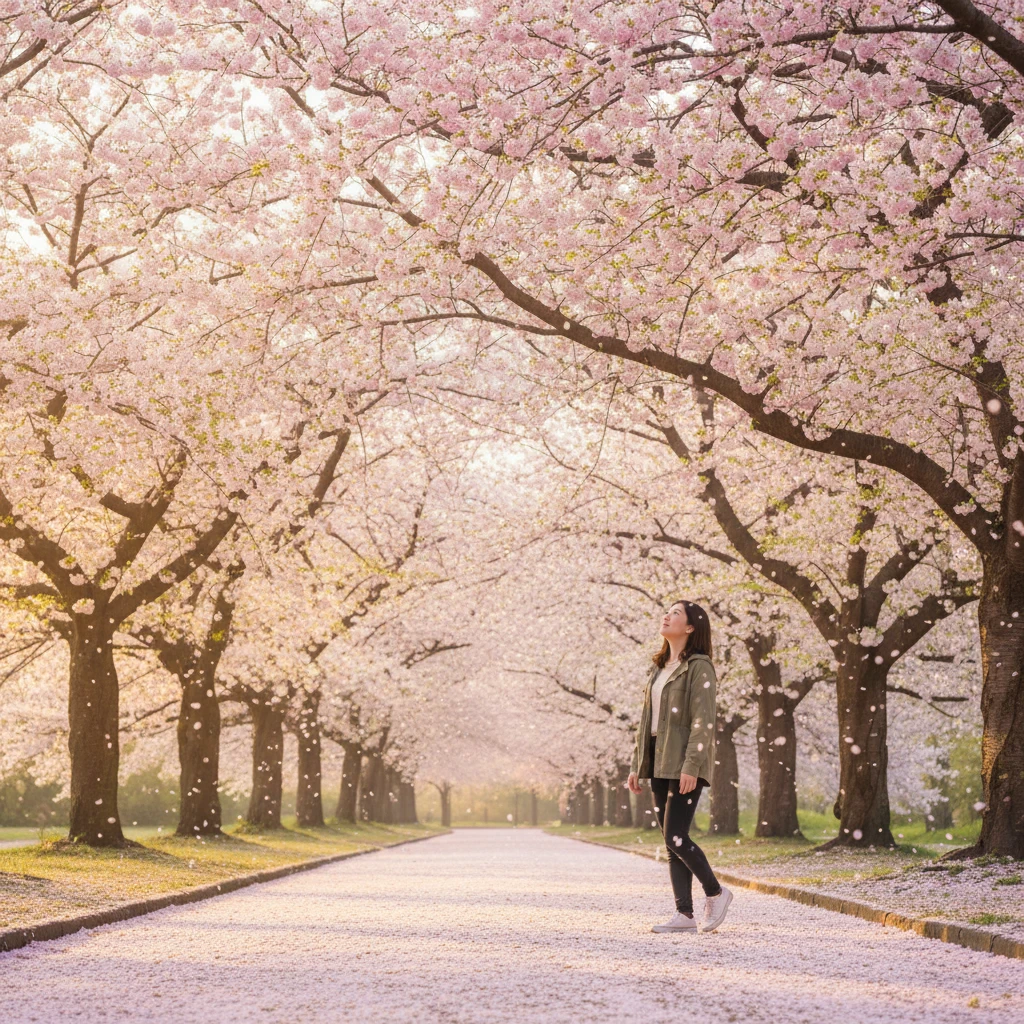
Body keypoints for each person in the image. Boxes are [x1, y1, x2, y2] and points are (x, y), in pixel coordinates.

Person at [627, 599, 733, 933]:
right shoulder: (659, 667)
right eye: (667, 611)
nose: (666, 615)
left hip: (685, 758)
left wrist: (692, 764)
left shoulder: (700, 666)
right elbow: (647, 721)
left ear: (690, 627)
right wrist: (637, 764)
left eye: (675, 613)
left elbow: (703, 720)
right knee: (670, 838)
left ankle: (716, 892)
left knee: (676, 836)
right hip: (658, 756)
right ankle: (684, 915)